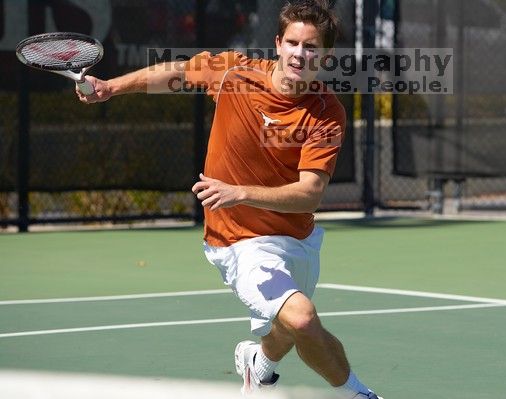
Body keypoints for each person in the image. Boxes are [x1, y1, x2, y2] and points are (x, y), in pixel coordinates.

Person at [77, 1, 383, 398]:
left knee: (288, 328)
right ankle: (359, 394)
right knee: (303, 318)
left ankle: (260, 363)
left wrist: (240, 192)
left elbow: (309, 195)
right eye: (292, 43)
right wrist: (111, 87)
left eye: (311, 47)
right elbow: (178, 72)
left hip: (297, 238)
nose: (299, 54)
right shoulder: (236, 75)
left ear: (325, 56)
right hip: (237, 241)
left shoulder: (326, 113)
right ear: (277, 43)